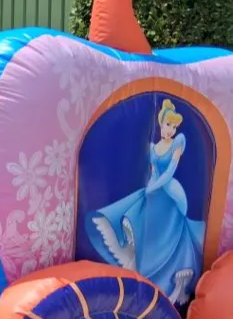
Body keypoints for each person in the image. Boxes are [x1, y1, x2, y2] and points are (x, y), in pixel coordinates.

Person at [86, 98, 205, 307]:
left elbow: (170, 171)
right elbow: (153, 171)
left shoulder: (178, 142)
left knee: (169, 233)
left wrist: (155, 186)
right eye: (168, 125)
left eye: (174, 126)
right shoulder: (153, 147)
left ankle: (168, 282)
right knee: (136, 218)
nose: (170, 130)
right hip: (153, 190)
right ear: (161, 123)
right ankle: (142, 271)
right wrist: (150, 188)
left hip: (169, 191)